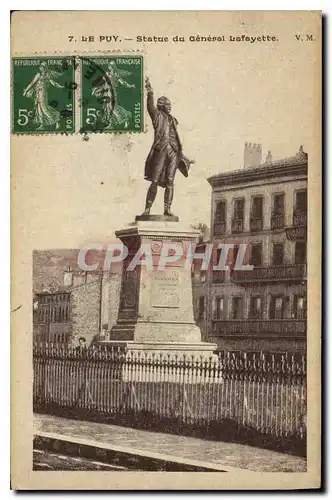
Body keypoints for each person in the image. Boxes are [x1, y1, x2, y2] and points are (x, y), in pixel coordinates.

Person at [142, 77, 195, 218]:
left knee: (170, 181)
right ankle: (147, 209)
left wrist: (184, 157)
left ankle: (167, 209)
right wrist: (150, 92)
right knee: (154, 180)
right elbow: (149, 107)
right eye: (167, 104)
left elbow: (177, 139)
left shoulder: (173, 120)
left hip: (174, 152)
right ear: (161, 105)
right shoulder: (157, 116)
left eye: (170, 105)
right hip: (161, 150)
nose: (170, 107)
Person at [92, 61, 135, 129]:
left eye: (110, 66)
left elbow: (123, 83)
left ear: (112, 67)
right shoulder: (107, 74)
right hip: (106, 92)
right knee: (108, 108)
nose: (109, 67)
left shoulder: (116, 75)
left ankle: (124, 119)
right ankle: (111, 124)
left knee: (112, 108)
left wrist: (130, 86)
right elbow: (101, 82)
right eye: (109, 66)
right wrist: (96, 89)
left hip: (112, 93)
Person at [23, 62, 64, 130]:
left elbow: (53, 83)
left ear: (45, 67)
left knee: (44, 108)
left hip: (43, 93)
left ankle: (57, 120)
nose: (40, 67)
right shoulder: (39, 74)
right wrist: (26, 91)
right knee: (39, 108)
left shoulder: (47, 75)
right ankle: (42, 125)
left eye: (42, 66)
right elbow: (32, 83)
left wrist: (60, 86)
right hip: (38, 93)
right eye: (40, 66)